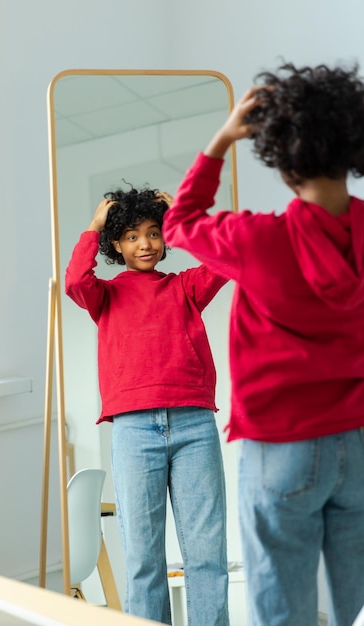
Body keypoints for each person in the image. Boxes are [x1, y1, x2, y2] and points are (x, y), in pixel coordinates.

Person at [162, 62, 364, 626]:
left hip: (282, 448)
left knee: (283, 613)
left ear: (281, 160)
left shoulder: (255, 240)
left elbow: (179, 222)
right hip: (362, 438)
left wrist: (223, 138)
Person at [65, 186, 230, 625]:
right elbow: (75, 283)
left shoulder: (185, 287)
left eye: (154, 233)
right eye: (132, 236)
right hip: (134, 432)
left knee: (207, 555)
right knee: (143, 560)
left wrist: (182, 215)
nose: (145, 244)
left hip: (194, 425)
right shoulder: (106, 295)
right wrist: (93, 227)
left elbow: (223, 259)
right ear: (116, 245)